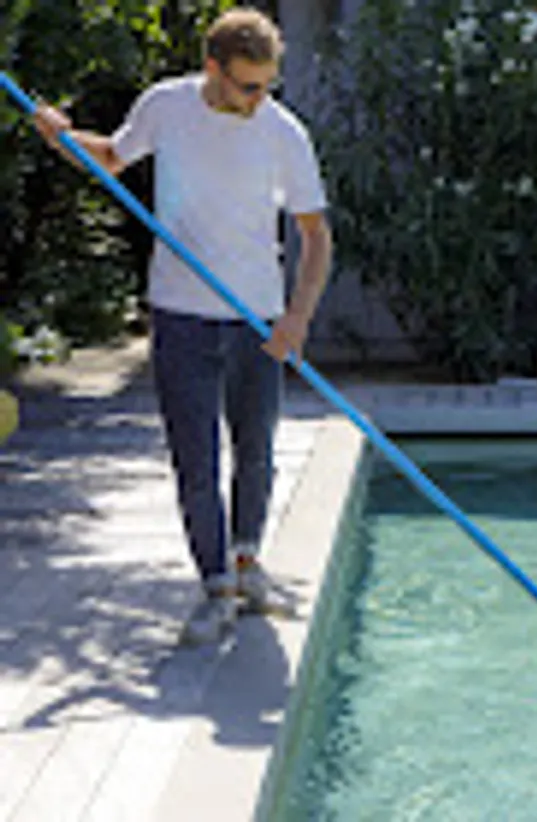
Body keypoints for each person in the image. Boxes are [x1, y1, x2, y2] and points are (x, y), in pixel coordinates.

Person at [31, 7, 333, 645]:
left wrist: (298, 317)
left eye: (267, 86)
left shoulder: (283, 132)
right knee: (195, 461)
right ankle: (216, 585)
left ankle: (249, 565)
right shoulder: (166, 107)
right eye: (247, 85)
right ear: (213, 69)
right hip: (180, 316)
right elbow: (112, 157)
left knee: (256, 453)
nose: (258, 99)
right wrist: (63, 136)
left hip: (257, 318)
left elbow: (315, 234)